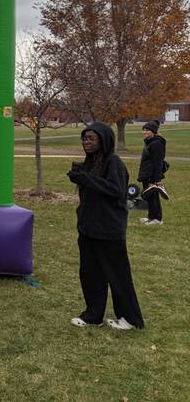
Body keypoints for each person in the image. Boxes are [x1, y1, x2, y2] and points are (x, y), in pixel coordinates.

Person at [67, 122, 144, 330]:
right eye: (84, 138)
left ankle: (129, 319)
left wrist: (85, 178)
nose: (86, 142)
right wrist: (81, 174)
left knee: (117, 276)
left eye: (91, 138)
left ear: (104, 140)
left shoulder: (113, 162)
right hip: (89, 229)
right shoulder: (91, 162)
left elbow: (115, 190)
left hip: (109, 230)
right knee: (90, 274)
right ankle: (93, 315)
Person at [137, 120, 167, 226]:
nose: (144, 132)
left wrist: (157, 178)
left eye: (147, 130)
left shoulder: (157, 144)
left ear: (153, 131)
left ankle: (157, 219)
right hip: (147, 174)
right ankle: (151, 217)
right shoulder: (150, 142)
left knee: (153, 196)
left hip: (152, 176)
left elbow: (158, 162)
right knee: (149, 197)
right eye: (144, 130)